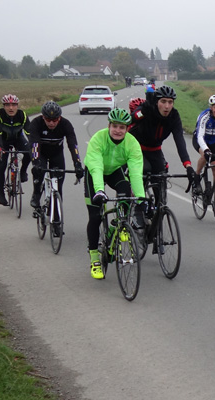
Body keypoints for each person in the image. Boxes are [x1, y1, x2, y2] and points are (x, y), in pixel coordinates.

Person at [83, 108, 145, 280]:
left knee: (126, 192)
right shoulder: (98, 139)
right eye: (115, 126)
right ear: (109, 126)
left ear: (127, 129)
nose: (118, 130)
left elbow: (135, 173)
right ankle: (94, 259)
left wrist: (141, 198)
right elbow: (96, 167)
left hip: (114, 171)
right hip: (94, 172)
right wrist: (99, 190)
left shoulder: (132, 143)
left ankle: (118, 225)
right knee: (95, 216)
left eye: (122, 127)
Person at [128, 85, 196, 191]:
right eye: (163, 101)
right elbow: (132, 118)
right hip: (137, 148)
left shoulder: (174, 116)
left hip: (155, 150)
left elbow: (180, 141)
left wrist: (188, 165)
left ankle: (158, 202)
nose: (167, 106)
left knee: (161, 179)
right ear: (156, 102)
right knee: (145, 169)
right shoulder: (147, 109)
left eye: (170, 102)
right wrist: (144, 110)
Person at [28, 101, 84, 219]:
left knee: (58, 187)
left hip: (56, 154)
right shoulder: (36, 123)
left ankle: (57, 218)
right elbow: (34, 144)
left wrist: (77, 164)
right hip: (41, 153)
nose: (52, 123)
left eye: (55, 120)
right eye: (48, 120)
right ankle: (36, 194)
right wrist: (36, 162)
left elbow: (73, 145)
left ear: (59, 118)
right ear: (43, 117)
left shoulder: (66, 124)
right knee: (39, 172)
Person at [0, 94, 31, 206]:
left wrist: (34, 145)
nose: (11, 108)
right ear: (3, 106)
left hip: (18, 139)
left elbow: (29, 133)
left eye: (13, 105)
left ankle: (23, 171)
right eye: (7, 105)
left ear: (17, 106)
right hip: (3, 141)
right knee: (1, 166)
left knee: (29, 152)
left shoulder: (22, 115)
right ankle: (1, 194)